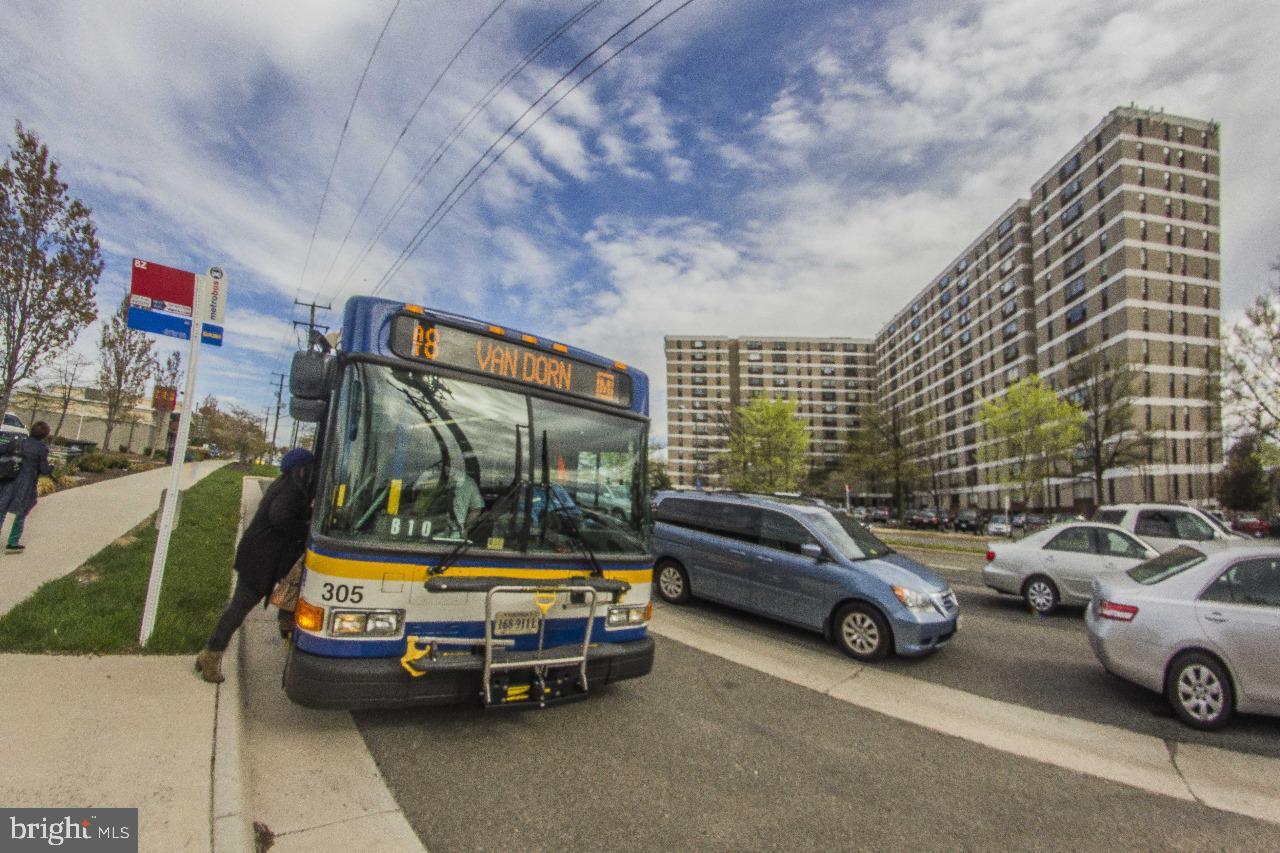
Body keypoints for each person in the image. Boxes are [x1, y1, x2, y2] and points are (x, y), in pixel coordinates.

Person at [195, 448, 316, 683]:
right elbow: (280, 519)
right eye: (309, 468)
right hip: (260, 559)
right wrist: (306, 529)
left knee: (284, 592)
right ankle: (211, 654)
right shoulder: (291, 491)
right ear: (301, 469)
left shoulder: (284, 486)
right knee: (239, 608)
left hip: (260, 556)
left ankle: (284, 622)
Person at [0, 421, 53, 553]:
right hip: (26, 484)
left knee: (1, 509)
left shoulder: (18, 442)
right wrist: (51, 467)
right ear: (44, 435)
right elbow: (44, 470)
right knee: (21, 513)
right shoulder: (41, 449)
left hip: (9, 480)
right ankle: (12, 542)